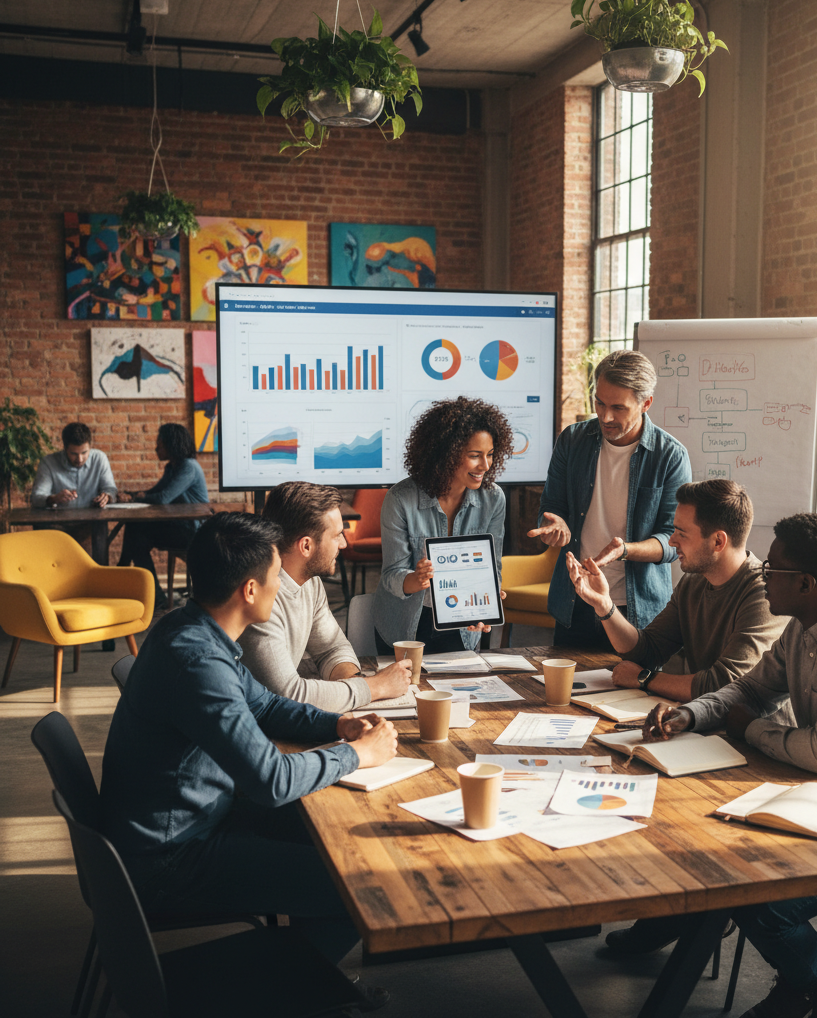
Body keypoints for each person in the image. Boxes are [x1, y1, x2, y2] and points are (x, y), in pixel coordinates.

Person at [606, 513, 817, 1018]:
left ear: (806, 583)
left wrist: (750, 729)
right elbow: (748, 691)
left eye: (774, 568)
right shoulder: (803, 626)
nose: (762, 574)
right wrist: (690, 715)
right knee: (710, 845)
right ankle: (784, 964)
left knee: (759, 896)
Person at [99, 511, 398, 986]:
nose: (283, 587)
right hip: (171, 858)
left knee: (340, 839)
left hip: (191, 820)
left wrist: (338, 723)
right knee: (357, 886)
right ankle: (289, 988)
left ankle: (301, 971)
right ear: (250, 590)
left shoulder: (191, 627)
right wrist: (359, 755)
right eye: (277, 576)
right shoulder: (198, 663)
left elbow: (265, 706)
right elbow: (270, 781)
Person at [565, 480, 788, 702]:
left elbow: (724, 685)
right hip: (705, 722)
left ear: (718, 541)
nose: (672, 541)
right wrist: (604, 605)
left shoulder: (765, 595)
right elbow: (647, 651)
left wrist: (644, 679)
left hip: (755, 733)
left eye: (682, 533)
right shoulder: (693, 582)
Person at [528, 350, 691, 651]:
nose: (606, 417)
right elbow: (551, 507)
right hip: (574, 602)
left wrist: (625, 550)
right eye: (599, 403)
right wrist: (555, 524)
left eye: (618, 407)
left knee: (631, 695)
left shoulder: (670, 456)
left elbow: (674, 539)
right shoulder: (572, 440)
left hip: (638, 611)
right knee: (562, 694)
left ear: (646, 404)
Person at [238, 481, 412, 711]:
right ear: (306, 546)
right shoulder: (259, 598)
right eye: (337, 535)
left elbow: (332, 648)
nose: (344, 543)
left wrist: (355, 685)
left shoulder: (311, 582)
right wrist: (374, 687)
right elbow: (288, 694)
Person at [373, 397, 512, 655]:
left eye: (490, 454)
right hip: (405, 625)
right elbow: (392, 575)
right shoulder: (401, 499)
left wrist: (486, 602)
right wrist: (417, 578)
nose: (486, 465)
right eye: (474, 456)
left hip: (461, 625)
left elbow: (493, 566)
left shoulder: (494, 499)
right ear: (446, 454)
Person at [117, 422, 209, 608]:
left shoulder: (188, 467)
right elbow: (154, 493)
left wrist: (139, 497)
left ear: (171, 445)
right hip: (179, 528)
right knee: (136, 534)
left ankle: (125, 573)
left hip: (193, 532)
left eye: (159, 443)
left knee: (136, 533)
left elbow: (162, 498)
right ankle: (152, 594)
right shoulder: (172, 468)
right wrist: (132, 496)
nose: (155, 447)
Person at [30, 422, 119, 552]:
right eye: (73, 453)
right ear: (65, 447)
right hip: (56, 525)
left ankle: (99, 570)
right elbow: (36, 498)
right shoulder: (48, 462)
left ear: (90, 446)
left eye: (84, 452)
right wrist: (54, 498)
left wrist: (107, 497)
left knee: (100, 529)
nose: (80, 458)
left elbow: (111, 489)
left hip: (88, 524)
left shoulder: (99, 459)